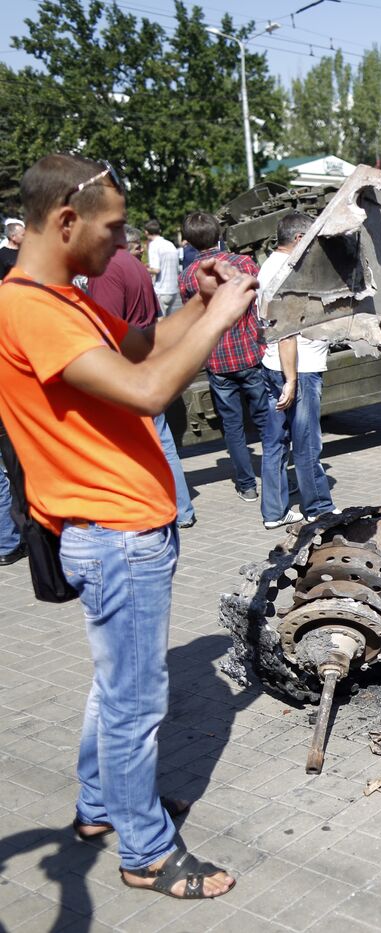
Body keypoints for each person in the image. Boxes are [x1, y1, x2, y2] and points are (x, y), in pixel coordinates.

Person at [0, 153, 255, 899]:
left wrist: (190, 298)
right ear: (65, 220)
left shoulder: (63, 297)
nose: (124, 242)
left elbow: (140, 346)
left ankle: (102, 805)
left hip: (120, 529)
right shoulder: (30, 308)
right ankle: (144, 850)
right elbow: (147, 389)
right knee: (136, 702)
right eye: (112, 229)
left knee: (115, 689)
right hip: (116, 533)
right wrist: (219, 317)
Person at [86, 235, 197, 528]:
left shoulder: (107, 268)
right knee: (163, 441)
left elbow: (105, 328)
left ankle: (154, 511)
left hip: (126, 367)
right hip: (143, 359)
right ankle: (181, 509)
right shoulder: (133, 264)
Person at [178, 211, 265, 501]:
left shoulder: (189, 276)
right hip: (251, 352)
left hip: (217, 360)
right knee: (267, 421)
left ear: (189, 240)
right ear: (219, 233)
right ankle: (278, 480)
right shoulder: (244, 263)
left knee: (232, 426)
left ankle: (246, 485)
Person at [256, 212, 335, 528]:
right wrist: (291, 381)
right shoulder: (289, 272)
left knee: (274, 443)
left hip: (274, 363)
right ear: (300, 239)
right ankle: (319, 508)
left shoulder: (268, 266)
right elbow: (287, 331)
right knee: (307, 444)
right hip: (298, 370)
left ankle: (274, 512)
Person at [145, 220, 182, 316]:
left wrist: (143, 269)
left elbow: (156, 270)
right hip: (173, 290)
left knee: (160, 324)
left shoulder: (154, 245)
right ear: (159, 231)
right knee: (167, 322)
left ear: (146, 232)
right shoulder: (169, 244)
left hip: (161, 290)